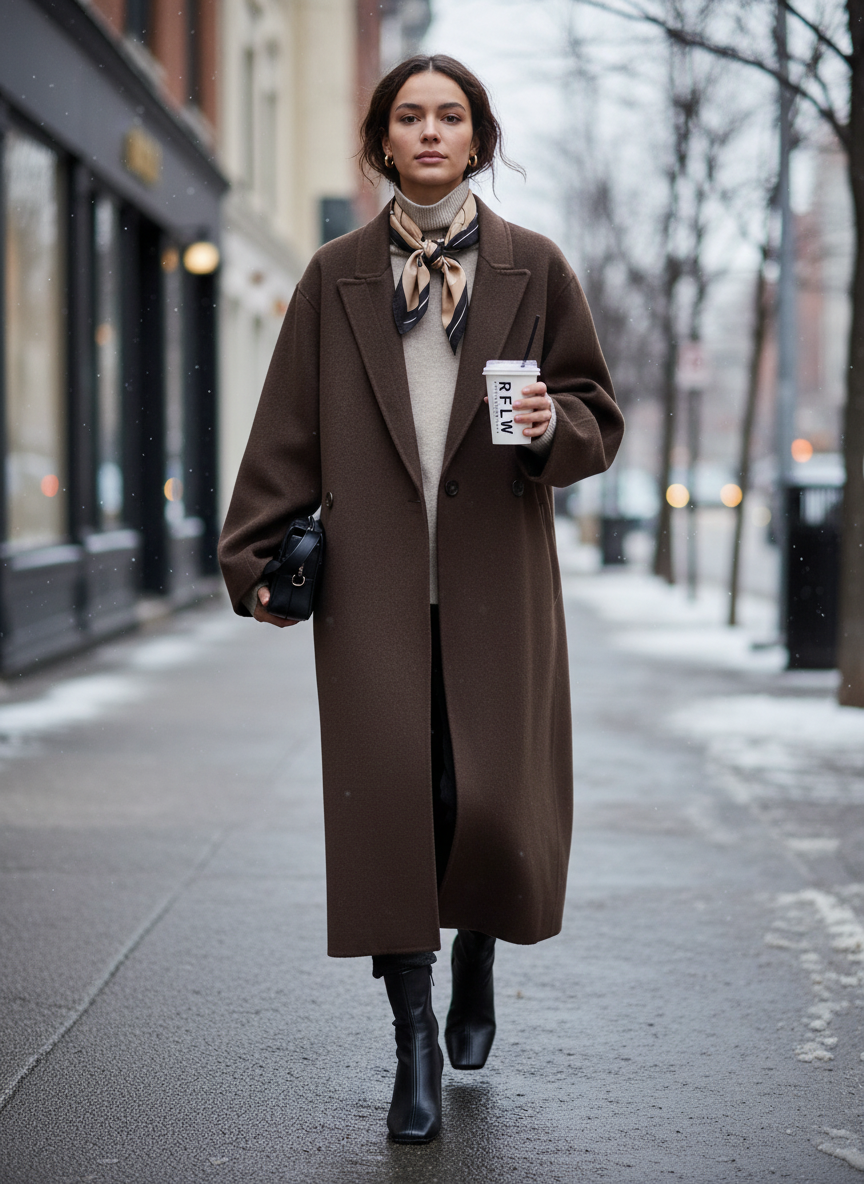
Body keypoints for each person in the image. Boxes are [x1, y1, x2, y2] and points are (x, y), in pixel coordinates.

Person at [218, 53, 624, 1144]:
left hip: (500, 585)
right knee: (395, 805)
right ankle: (412, 1040)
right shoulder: (332, 275)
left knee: (483, 796)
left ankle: (477, 948)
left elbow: (597, 409)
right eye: (411, 116)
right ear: (382, 139)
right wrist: (253, 558)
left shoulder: (534, 267)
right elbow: (285, 432)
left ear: (478, 138)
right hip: (376, 596)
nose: (432, 132)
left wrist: (554, 428)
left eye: (451, 116)